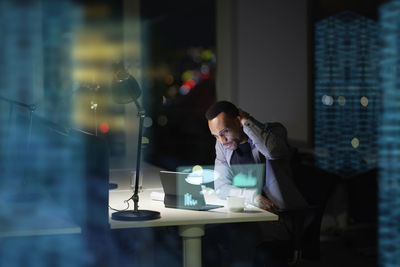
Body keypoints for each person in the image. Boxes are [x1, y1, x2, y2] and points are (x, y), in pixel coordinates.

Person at [204, 101, 309, 266]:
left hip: (276, 217)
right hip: (245, 215)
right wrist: (253, 197)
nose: (222, 140)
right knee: (205, 239)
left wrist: (247, 120)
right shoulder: (222, 145)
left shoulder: (274, 132)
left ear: (239, 121)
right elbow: (221, 187)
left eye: (224, 132)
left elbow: (273, 152)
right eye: (216, 135)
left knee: (241, 246)